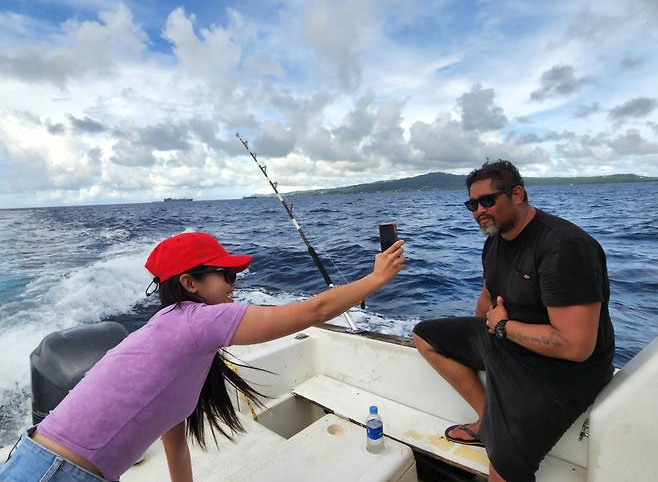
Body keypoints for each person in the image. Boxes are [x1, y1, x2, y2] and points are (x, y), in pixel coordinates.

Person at [0, 231, 405, 482]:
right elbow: (313, 311)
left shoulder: (178, 337)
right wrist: (377, 278)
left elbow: (174, 444)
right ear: (190, 283)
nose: (234, 283)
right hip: (55, 473)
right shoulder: (196, 321)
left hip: (59, 466)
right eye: (226, 275)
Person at [412, 160, 614, 482]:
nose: (478, 210)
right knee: (425, 336)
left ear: (517, 194)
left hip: (562, 371)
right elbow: (487, 299)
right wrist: (487, 330)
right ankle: (487, 421)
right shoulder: (494, 241)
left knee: (502, 473)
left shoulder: (564, 247)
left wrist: (503, 327)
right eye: (472, 204)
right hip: (506, 340)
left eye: (487, 200)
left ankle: (500, 436)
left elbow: (577, 347)